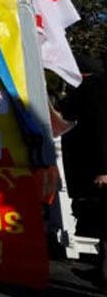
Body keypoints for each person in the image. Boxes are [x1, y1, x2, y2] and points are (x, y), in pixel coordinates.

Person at [60, 52, 107, 286]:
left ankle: (103, 274)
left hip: (98, 167)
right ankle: (101, 271)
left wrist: (103, 169)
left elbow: (100, 130)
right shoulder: (95, 89)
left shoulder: (93, 91)